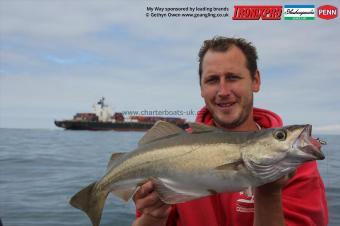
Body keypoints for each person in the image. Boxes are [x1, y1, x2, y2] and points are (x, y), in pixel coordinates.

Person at [132, 36, 328, 226]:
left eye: (233, 77)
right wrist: (153, 218)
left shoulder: (294, 164)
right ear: (201, 88)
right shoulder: (169, 151)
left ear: (255, 80)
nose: (223, 91)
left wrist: (269, 194)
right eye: (212, 80)